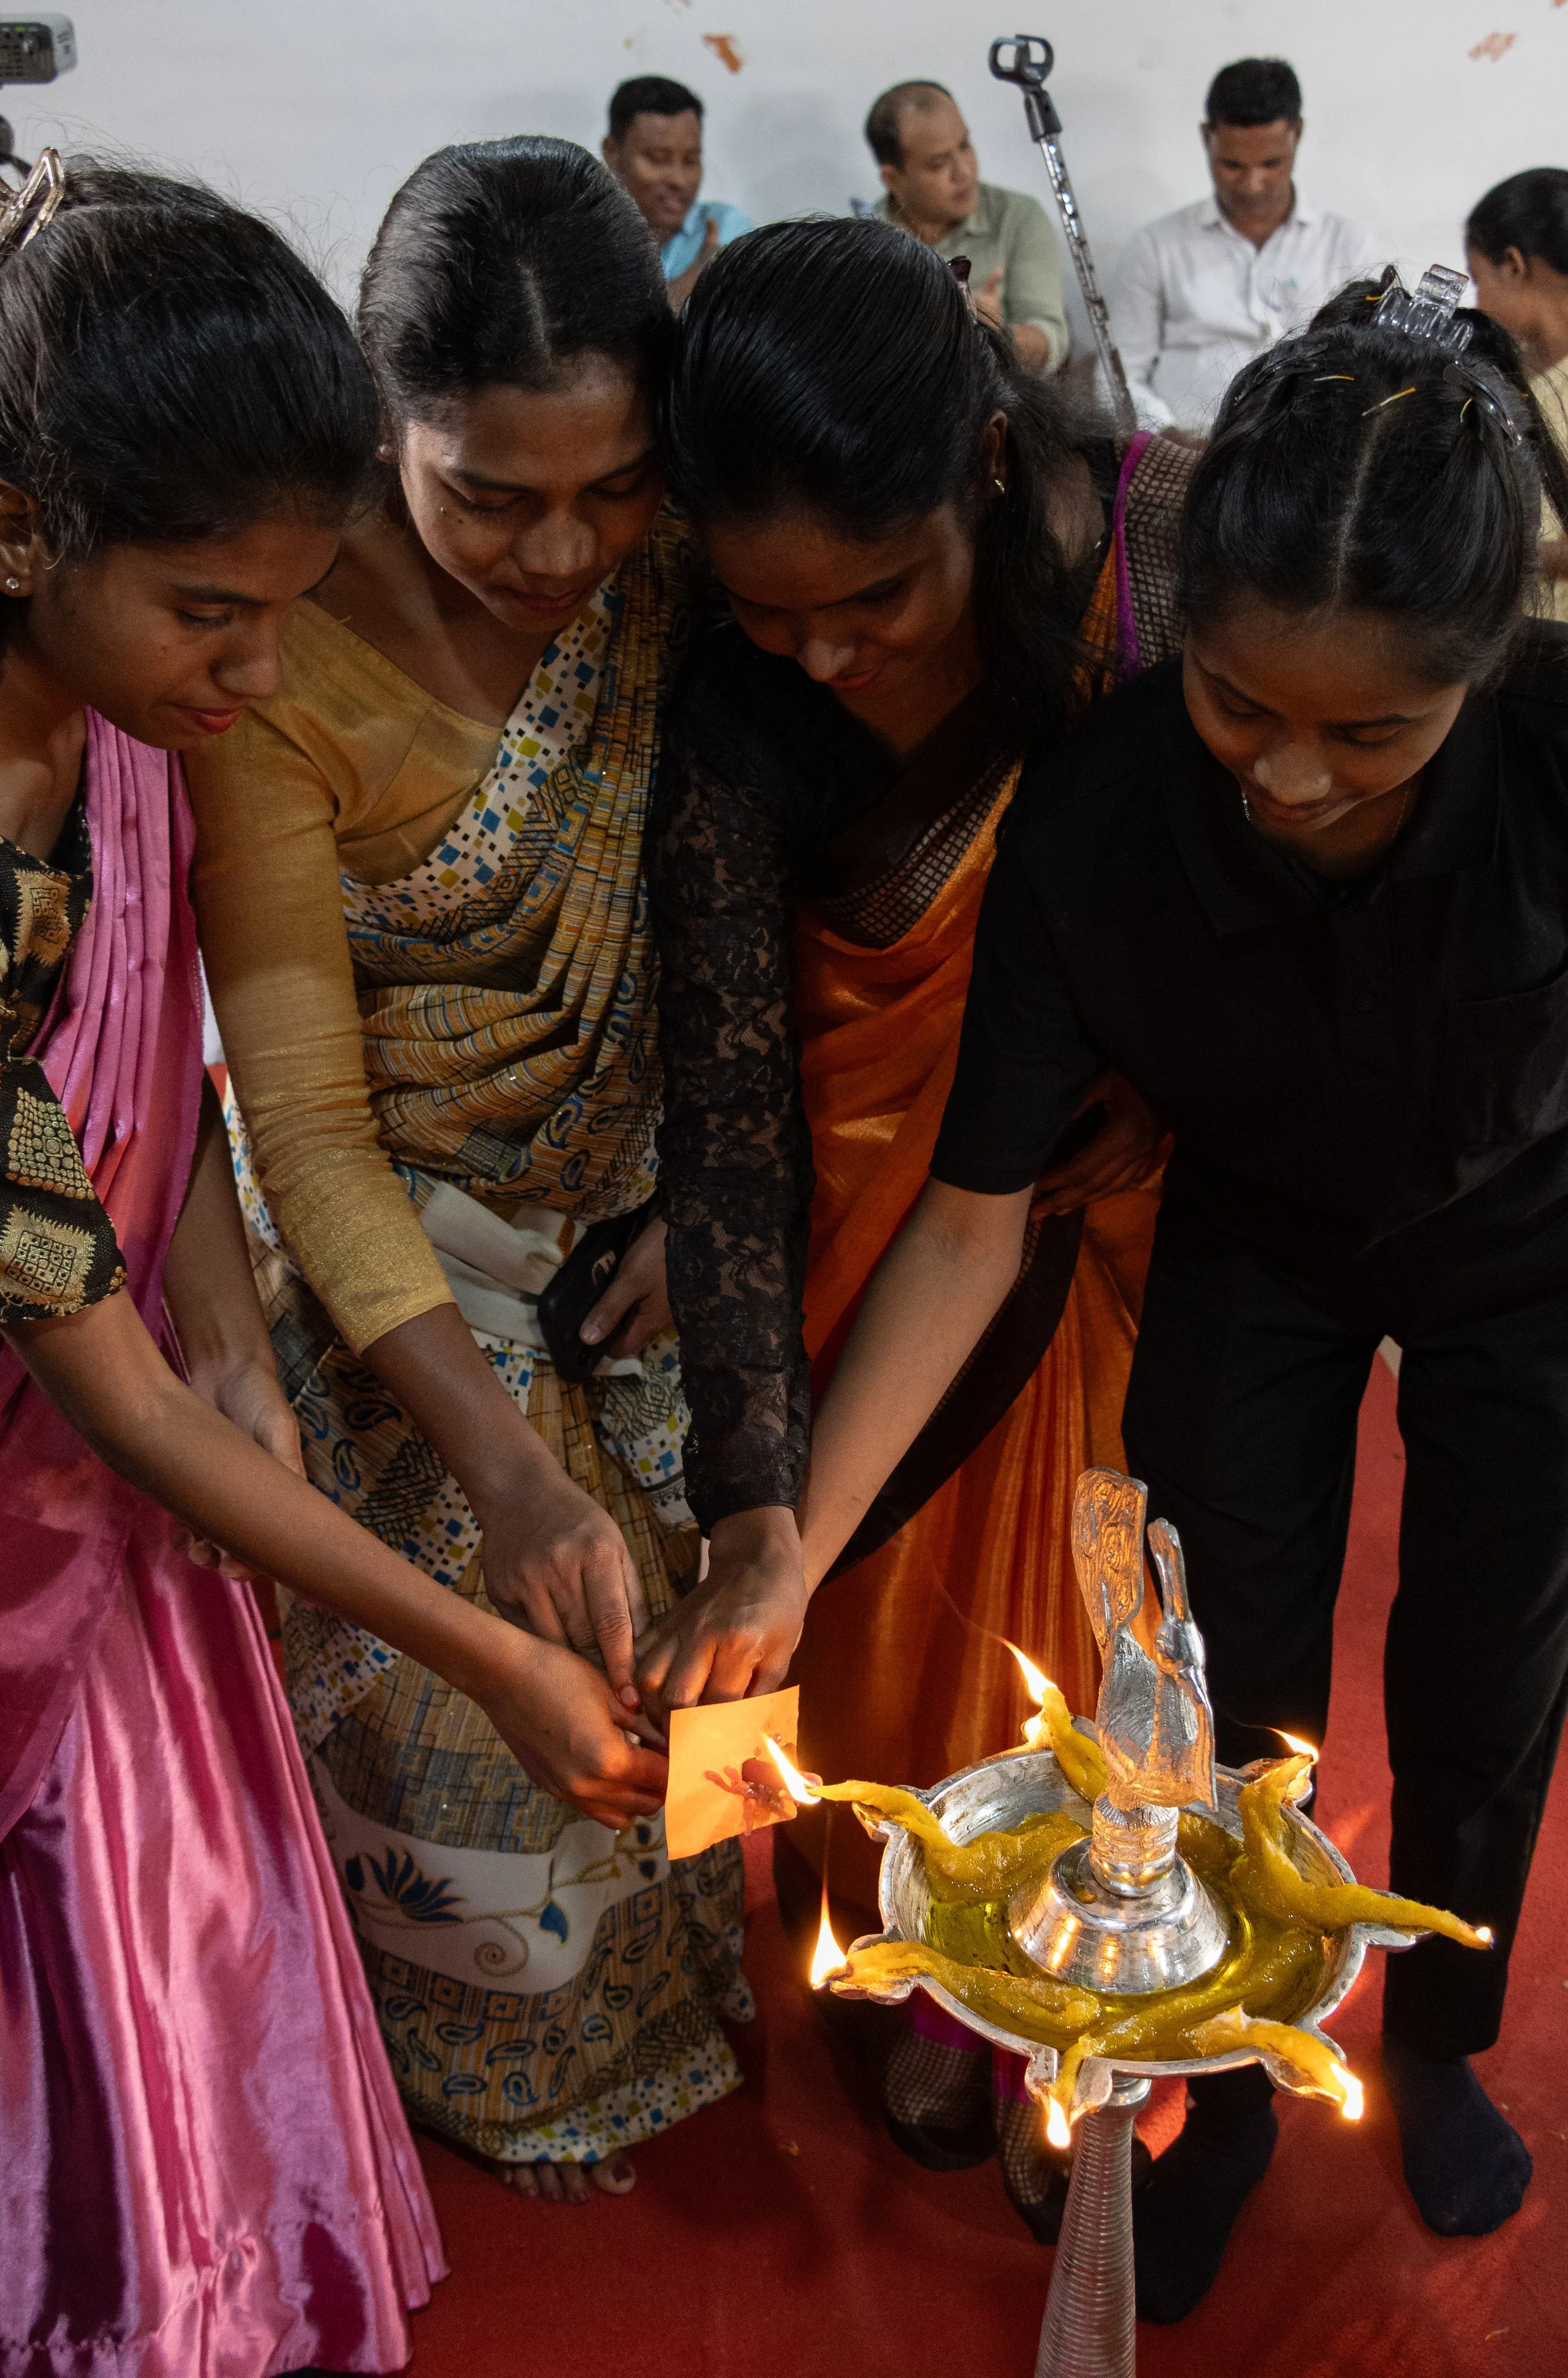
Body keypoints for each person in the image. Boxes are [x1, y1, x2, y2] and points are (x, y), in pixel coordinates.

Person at [796, 273, 1568, 2318]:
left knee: (1491, 1668)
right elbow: (968, 1222)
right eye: (1243, 708)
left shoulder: (1561, 751)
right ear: (1184, 636)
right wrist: (796, 1545)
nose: (1293, 778)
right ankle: (1222, 2092)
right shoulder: (1106, 816)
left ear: (1490, 663)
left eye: (1370, 734)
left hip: (1533, 1246)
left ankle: (1439, 2036)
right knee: (1211, 1687)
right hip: (1258, 1236)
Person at [0, 155, 668, 2377]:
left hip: (145, 1401)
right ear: (17, 534)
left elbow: (138, 1082)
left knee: (170, 1918)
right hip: (53, 1453)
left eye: (286, 613)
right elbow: (114, 1375)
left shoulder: (123, 705)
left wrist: (216, 1311)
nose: (262, 674)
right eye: (218, 615)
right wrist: (481, 1636)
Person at [186, 136, 749, 2207]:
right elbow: (302, 1123)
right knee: (477, 1755)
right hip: (406, 1300)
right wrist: (497, 1465)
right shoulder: (273, 652)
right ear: (378, 423)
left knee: (686, 1689)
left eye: (615, 486)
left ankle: (685, 2014)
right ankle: (478, 2087)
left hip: (641, 1258)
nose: (562, 551)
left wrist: (708, 1206)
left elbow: (730, 926)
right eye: (490, 494)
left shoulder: (672, 574)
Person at [635, 216, 1185, 2238]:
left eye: (874, 595)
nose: (825, 653)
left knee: (1115, 1613)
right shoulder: (729, 700)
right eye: (769, 612)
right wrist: (754, 1498)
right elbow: (725, 1115)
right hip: (873, 1215)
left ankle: (1096, 1990)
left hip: (1138, 1220)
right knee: (866, 1614)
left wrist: (1166, 1096)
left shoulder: (1144, 567)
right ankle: (934, 1970)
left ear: (982, 465)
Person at [1113, 57, 1382, 432]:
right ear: (1206, 137)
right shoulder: (1156, 247)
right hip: (1185, 448)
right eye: (1232, 166)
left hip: (1311, 449)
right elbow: (1119, 378)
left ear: (1298, 134)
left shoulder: (1348, 245)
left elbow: (1372, 371)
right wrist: (1168, 438)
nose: (1253, 185)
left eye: (1271, 164)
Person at [866, 80, 1068, 375]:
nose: (964, 172)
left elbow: (1052, 342)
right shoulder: (865, 246)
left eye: (965, 146)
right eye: (939, 164)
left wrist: (998, 335)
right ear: (892, 179)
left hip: (999, 397)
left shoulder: (1017, 217)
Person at [1468, 167, 1568, 623]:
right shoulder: (1510, 376)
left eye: (1479, 279)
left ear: (1512, 266)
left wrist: (1491, 559)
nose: (1477, 304)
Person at [602, 74, 751, 311]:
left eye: (691, 160)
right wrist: (701, 273)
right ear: (612, 152)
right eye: (658, 159)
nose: (679, 181)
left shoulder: (726, 226)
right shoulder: (585, 237)